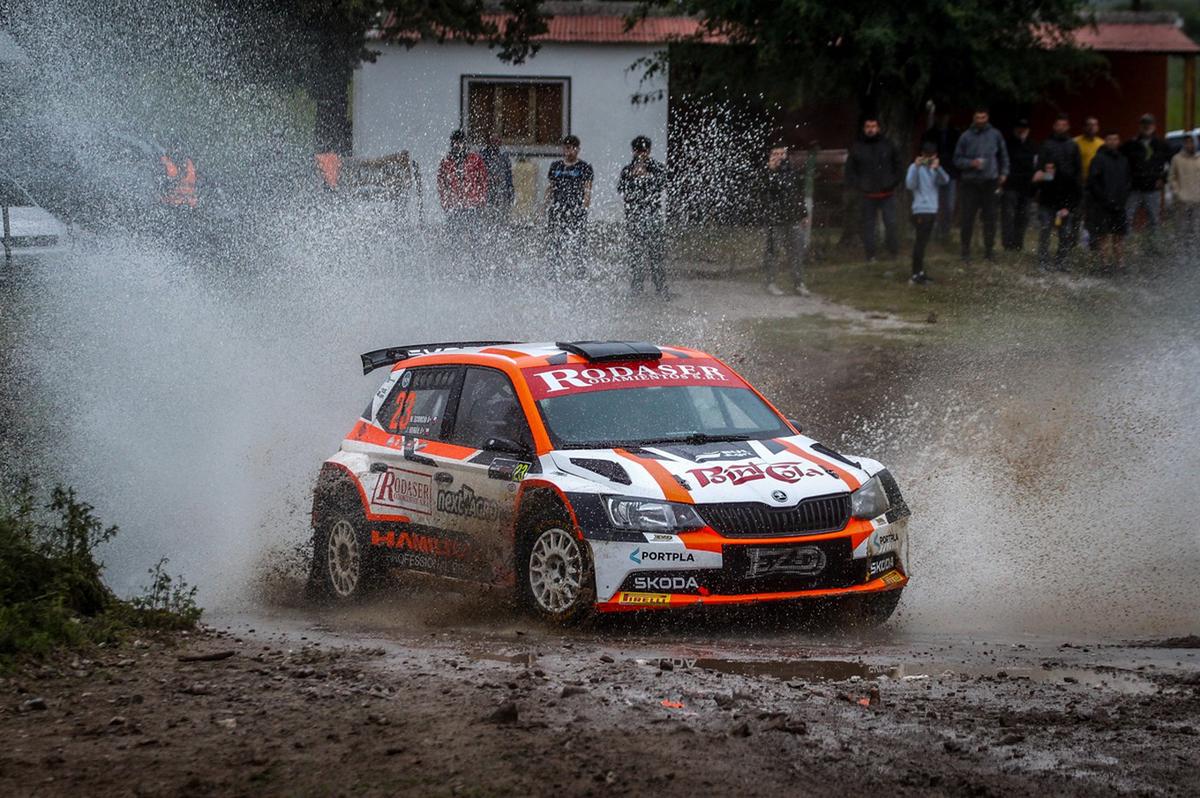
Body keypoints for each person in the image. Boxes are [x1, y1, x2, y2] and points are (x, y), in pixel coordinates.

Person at [953, 107, 1009, 262]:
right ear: (973, 118)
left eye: (983, 117)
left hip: (990, 181)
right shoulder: (965, 136)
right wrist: (971, 163)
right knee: (968, 218)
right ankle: (965, 251)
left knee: (990, 218)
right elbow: (957, 159)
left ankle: (989, 251)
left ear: (987, 118)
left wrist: (1004, 173)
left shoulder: (995, 134)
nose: (980, 121)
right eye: (978, 118)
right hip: (970, 182)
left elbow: (1003, 155)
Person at [617, 135, 670, 296]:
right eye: (638, 151)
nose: (641, 154)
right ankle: (637, 286)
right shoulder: (627, 169)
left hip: (652, 216)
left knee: (656, 253)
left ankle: (660, 287)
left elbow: (664, 184)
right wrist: (633, 177)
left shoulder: (657, 167)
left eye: (644, 151)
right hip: (634, 216)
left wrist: (647, 177)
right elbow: (621, 189)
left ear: (649, 151)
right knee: (635, 254)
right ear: (633, 151)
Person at [845, 117, 902, 262]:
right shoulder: (857, 147)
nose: (871, 129)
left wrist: (893, 182)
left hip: (887, 192)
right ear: (864, 129)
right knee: (868, 226)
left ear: (878, 128)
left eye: (873, 126)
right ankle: (870, 255)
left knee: (891, 223)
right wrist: (859, 185)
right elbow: (850, 170)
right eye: (868, 126)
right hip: (867, 194)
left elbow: (898, 165)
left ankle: (893, 253)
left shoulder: (888, 145)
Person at [757, 143, 808, 296]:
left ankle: (798, 283)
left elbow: (797, 194)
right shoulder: (765, 173)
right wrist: (770, 172)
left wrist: (803, 213)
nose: (779, 156)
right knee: (773, 251)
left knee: (796, 252)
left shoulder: (791, 172)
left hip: (792, 218)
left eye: (782, 153)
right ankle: (770, 283)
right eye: (776, 153)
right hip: (775, 219)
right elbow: (764, 191)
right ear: (770, 156)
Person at [1033, 113, 1083, 272]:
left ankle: (1062, 262)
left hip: (1067, 197)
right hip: (1048, 196)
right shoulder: (1046, 145)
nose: (1060, 127)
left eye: (1064, 125)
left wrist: (1073, 200)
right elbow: (1040, 172)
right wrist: (1046, 176)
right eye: (1058, 124)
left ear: (1067, 126)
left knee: (1065, 232)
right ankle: (1042, 261)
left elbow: (1077, 173)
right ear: (1054, 126)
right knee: (1045, 229)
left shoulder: (1073, 146)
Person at [544, 134, 594, 279]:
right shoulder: (556, 166)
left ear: (578, 149)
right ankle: (554, 272)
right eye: (566, 148)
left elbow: (587, 190)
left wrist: (584, 208)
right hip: (557, 209)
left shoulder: (584, 167)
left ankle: (580, 272)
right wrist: (544, 205)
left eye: (572, 148)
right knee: (555, 242)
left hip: (576, 209)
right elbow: (551, 187)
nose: (569, 151)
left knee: (578, 243)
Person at [1120, 113, 1170, 250]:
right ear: (1140, 127)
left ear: (1154, 127)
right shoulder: (1130, 144)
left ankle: (1153, 247)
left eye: (1149, 125)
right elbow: (1121, 163)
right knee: (1128, 217)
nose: (1146, 127)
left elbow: (1169, 164)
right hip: (1134, 188)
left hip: (1153, 189)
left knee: (1154, 219)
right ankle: (1127, 246)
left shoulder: (1161, 145)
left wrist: (1163, 179)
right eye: (1144, 125)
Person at [905, 140, 950, 284]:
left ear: (935, 156)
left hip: (932, 209)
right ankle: (915, 274)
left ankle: (920, 271)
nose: (928, 159)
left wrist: (938, 168)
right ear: (921, 155)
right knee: (920, 242)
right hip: (920, 209)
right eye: (926, 155)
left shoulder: (935, 169)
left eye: (931, 156)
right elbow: (910, 184)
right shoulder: (914, 167)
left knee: (923, 243)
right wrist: (917, 167)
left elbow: (946, 181)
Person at [1087, 131, 1132, 272]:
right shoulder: (1098, 159)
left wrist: (1123, 199)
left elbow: (1128, 181)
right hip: (1103, 204)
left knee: (1119, 236)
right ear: (1105, 141)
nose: (1113, 142)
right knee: (1103, 235)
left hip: (1120, 204)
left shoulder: (1123, 160)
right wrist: (1104, 199)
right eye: (1110, 139)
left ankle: (1121, 264)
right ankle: (1104, 264)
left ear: (1118, 141)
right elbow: (1093, 182)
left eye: (1115, 139)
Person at [436, 130, 487, 245]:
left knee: (475, 237)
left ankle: (476, 260)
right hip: (454, 206)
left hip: (473, 205)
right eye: (455, 143)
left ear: (465, 143)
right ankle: (454, 260)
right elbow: (441, 184)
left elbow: (482, 180)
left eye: (460, 142)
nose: (457, 145)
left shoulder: (475, 160)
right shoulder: (446, 162)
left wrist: (481, 199)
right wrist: (445, 203)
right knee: (454, 238)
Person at [922, 112, 961, 241]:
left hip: (951, 173)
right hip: (932, 173)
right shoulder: (930, 133)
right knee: (934, 205)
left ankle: (945, 232)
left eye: (944, 116)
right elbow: (923, 154)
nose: (942, 119)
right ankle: (934, 233)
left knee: (949, 206)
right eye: (940, 116)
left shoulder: (955, 133)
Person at [1001, 119, 1038, 251]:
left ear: (1028, 130)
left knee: (1023, 216)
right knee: (1009, 215)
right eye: (1019, 127)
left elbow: (1036, 165)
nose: (1021, 130)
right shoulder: (1007, 144)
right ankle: (1007, 244)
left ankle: (1018, 244)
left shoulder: (1033, 145)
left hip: (1027, 187)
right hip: (1010, 185)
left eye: (1024, 128)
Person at [1074, 116, 1103, 250]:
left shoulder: (1101, 144)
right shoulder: (1075, 143)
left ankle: (1093, 245)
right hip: (1079, 185)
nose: (1091, 127)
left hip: (1096, 187)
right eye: (1089, 125)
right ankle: (1073, 244)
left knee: (1093, 216)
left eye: (1094, 125)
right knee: (1076, 215)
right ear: (1084, 127)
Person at [1168, 133, 1200, 244]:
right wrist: (1178, 193)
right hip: (1182, 201)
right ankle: (1181, 258)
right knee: (1181, 231)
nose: (1189, 145)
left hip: (1198, 201)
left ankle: (1194, 257)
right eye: (1187, 142)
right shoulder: (1177, 159)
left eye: (1191, 142)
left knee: (1196, 231)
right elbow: (1172, 178)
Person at [479, 135, 514, 220]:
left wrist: (510, 192)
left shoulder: (504, 157)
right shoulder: (483, 156)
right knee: (488, 217)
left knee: (501, 217)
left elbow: (508, 177)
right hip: (487, 191)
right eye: (493, 142)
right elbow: (480, 175)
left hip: (501, 192)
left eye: (497, 142)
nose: (495, 145)